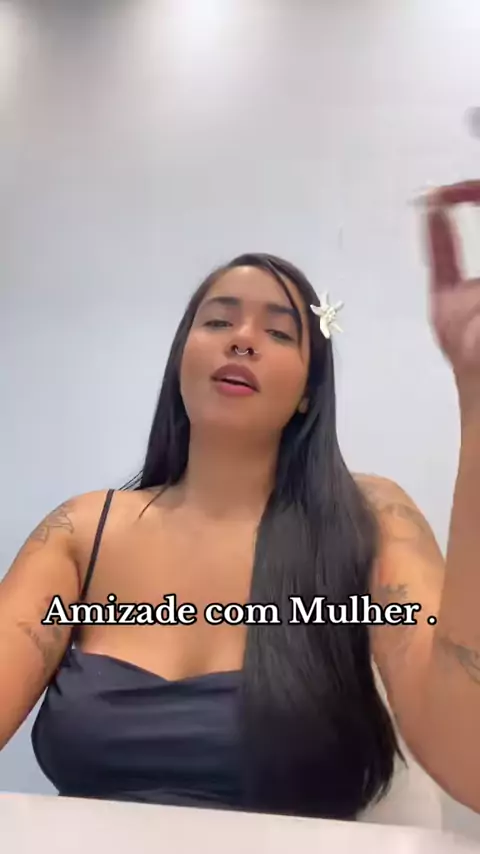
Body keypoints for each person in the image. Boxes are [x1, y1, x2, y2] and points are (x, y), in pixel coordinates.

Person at [1, 180, 480, 821]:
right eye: (219, 321)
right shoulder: (80, 531)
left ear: (309, 391)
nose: (243, 339)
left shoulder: (369, 517)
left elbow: (470, 762)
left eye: (279, 333)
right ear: (182, 360)